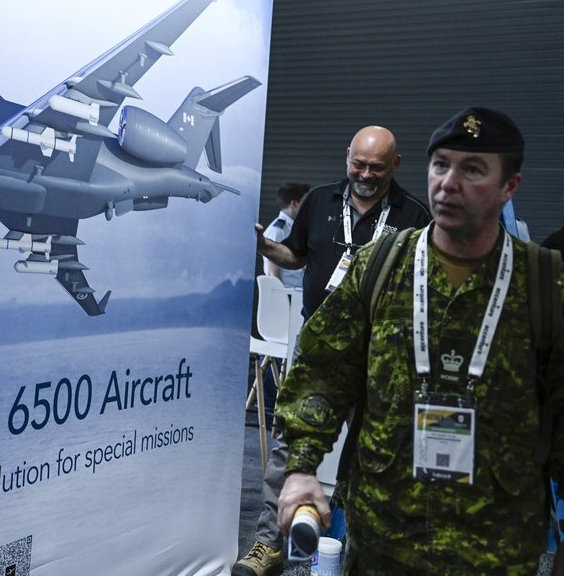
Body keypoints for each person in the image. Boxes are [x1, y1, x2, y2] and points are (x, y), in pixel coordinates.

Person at [274, 107, 564, 573]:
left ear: (509, 186)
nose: (448, 182)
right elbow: (323, 373)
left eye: (472, 170)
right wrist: (303, 467)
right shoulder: (380, 266)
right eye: (441, 165)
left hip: (497, 546)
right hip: (383, 535)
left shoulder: (545, 283)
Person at [235, 126, 430, 576]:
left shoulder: (414, 215)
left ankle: (361, 550)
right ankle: (270, 543)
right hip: (319, 345)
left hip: (381, 351)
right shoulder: (319, 201)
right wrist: (264, 246)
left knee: (376, 450)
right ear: (347, 157)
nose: (365, 174)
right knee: (291, 440)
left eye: (376, 167)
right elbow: (295, 256)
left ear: (395, 165)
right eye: (358, 164)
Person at [262, 182, 310, 288]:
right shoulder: (277, 231)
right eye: (306, 203)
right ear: (294, 204)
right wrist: (281, 297)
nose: (309, 207)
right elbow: (272, 274)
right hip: (287, 293)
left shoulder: (293, 227)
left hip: (298, 292)